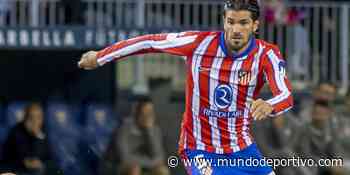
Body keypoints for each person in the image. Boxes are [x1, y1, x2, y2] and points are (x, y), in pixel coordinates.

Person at [78, 0, 293, 174]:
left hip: (243, 150)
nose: (236, 29)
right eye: (231, 22)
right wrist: (100, 57)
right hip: (199, 150)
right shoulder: (198, 43)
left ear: (255, 26)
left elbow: (285, 95)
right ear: (224, 22)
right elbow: (149, 42)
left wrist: (270, 105)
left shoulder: (267, 55)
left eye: (244, 23)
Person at [101, 97, 169, 175]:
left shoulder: (154, 129)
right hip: (114, 164)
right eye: (144, 113)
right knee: (134, 169)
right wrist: (151, 162)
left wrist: (149, 131)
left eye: (150, 112)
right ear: (137, 113)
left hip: (141, 163)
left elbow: (159, 157)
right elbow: (125, 158)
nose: (147, 116)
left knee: (162, 170)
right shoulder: (125, 128)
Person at [1, 102, 56, 175]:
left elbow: (49, 157)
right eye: (31, 117)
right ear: (25, 118)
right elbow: (22, 157)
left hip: (37, 170)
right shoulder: (16, 132)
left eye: (39, 117)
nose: (35, 121)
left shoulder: (44, 131)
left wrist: (38, 137)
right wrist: (32, 135)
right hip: (17, 170)